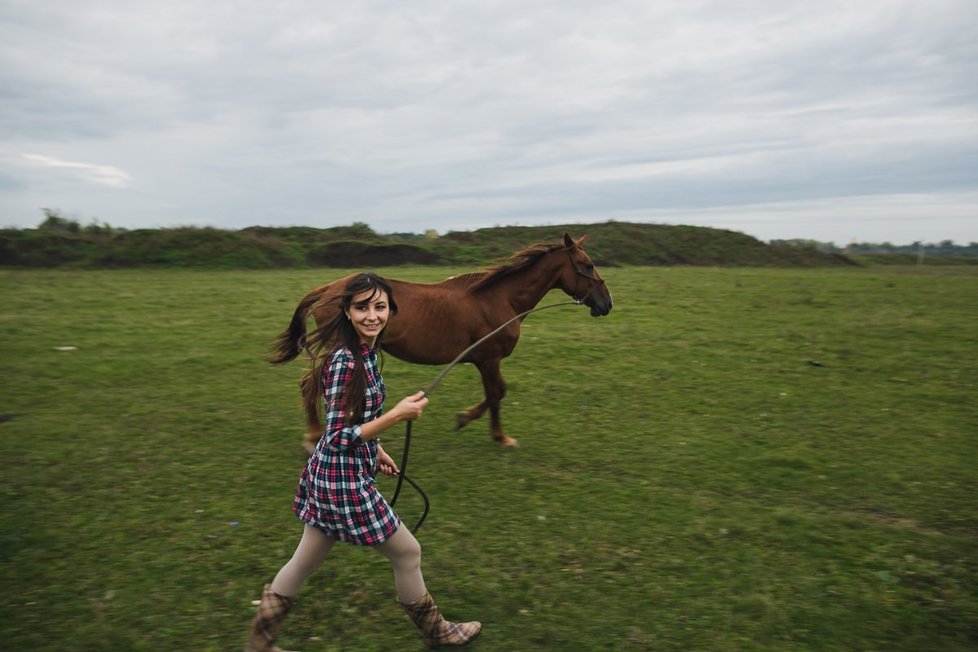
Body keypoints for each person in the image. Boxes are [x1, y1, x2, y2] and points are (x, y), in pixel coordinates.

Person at [245, 272, 481, 651]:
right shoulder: (346, 362)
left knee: (304, 561)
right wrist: (396, 415)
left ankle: (260, 642)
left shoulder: (367, 354)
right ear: (348, 312)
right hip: (343, 483)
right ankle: (438, 633)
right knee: (408, 552)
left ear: (391, 310)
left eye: (380, 306)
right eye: (362, 308)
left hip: (334, 475)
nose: (372, 315)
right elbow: (337, 436)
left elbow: (355, 420)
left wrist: (378, 448)